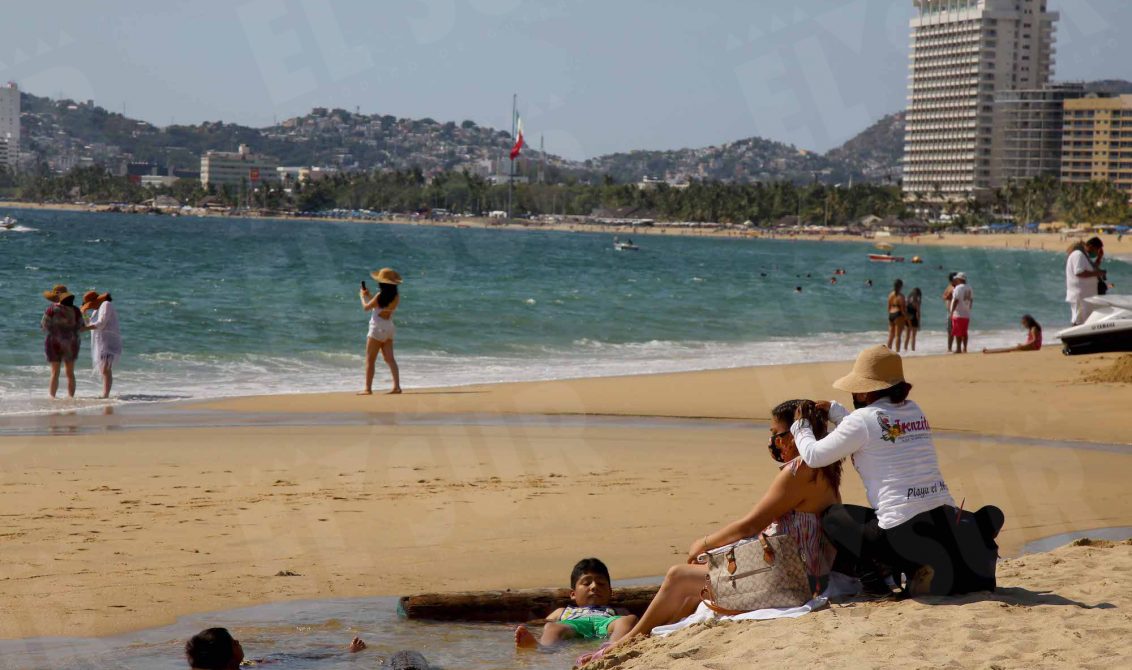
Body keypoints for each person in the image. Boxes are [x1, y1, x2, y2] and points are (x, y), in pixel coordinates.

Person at [580, 400, 842, 663]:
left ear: (795, 434)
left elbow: (750, 525)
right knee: (704, 566)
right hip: (806, 570)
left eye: (777, 434)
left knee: (678, 576)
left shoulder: (799, 470)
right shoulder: (825, 468)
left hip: (792, 579)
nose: (773, 441)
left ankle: (629, 638)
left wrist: (702, 542)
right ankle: (650, 632)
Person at [791, 345, 1002, 597]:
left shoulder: (862, 421)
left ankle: (874, 586)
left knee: (834, 518)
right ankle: (920, 567)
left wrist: (800, 426)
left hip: (902, 532)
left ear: (866, 391)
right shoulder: (914, 410)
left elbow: (814, 455)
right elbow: (876, 429)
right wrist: (836, 411)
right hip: (942, 520)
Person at [515, 558, 638, 652]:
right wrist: (519, 626)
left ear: (610, 592)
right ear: (573, 594)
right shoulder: (562, 611)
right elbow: (542, 623)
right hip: (574, 624)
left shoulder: (618, 610)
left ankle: (612, 646)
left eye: (600, 583)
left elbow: (631, 623)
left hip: (606, 622)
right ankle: (543, 648)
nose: (594, 587)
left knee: (628, 620)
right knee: (552, 627)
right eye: (586, 583)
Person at [358, 267, 402, 395]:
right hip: (389, 328)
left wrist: (362, 296)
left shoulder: (379, 296)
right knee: (390, 359)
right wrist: (369, 296)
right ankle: (397, 387)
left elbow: (367, 308)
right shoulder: (396, 296)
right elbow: (381, 306)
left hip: (377, 328)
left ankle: (367, 388)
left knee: (370, 359)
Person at [40, 285, 84, 398]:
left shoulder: (51, 309)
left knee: (54, 373)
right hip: (71, 343)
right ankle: (70, 398)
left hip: (53, 343)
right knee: (70, 373)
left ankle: (52, 397)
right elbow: (81, 327)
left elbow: (44, 326)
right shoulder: (76, 310)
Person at [81, 291, 122, 398]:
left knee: (105, 368)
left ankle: (105, 395)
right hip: (101, 342)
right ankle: (105, 394)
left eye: (90, 304)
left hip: (109, 341)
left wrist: (85, 329)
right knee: (104, 369)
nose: (90, 307)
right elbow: (90, 324)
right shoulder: (96, 310)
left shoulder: (106, 304)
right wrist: (84, 313)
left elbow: (102, 323)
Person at [1065, 238, 1105, 325]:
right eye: (1097, 250)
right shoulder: (1078, 255)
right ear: (1090, 246)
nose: (1097, 252)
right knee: (1078, 321)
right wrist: (1097, 273)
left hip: (1085, 296)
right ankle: (1074, 338)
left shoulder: (1083, 256)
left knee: (1084, 321)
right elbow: (1079, 272)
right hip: (1080, 295)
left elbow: (1090, 268)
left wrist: (1099, 258)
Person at [949, 272, 973, 354]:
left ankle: (958, 349)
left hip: (958, 313)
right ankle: (965, 348)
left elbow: (956, 300)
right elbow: (971, 300)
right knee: (964, 332)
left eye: (957, 279)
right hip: (966, 314)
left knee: (957, 332)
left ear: (959, 279)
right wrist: (969, 308)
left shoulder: (958, 288)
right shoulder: (969, 287)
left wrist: (952, 311)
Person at [886, 279, 907, 352]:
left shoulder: (890, 295)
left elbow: (888, 308)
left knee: (891, 336)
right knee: (898, 336)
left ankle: (888, 352)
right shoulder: (901, 296)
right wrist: (905, 318)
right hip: (898, 314)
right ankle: (897, 352)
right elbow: (903, 310)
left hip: (891, 314)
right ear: (901, 286)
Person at [942, 272, 958, 352]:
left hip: (954, 312)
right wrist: (948, 296)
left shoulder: (955, 287)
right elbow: (944, 296)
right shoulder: (951, 287)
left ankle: (953, 348)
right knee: (950, 331)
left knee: (954, 331)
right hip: (950, 312)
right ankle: (949, 348)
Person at [903, 287, 922, 352]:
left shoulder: (907, 300)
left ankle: (905, 350)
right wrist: (919, 323)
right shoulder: (917, 302)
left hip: (907, 319)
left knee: (907, 336)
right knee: (913, 336)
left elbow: (905, 311)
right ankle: (913, 350)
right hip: (914, 319)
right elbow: (918, 313)